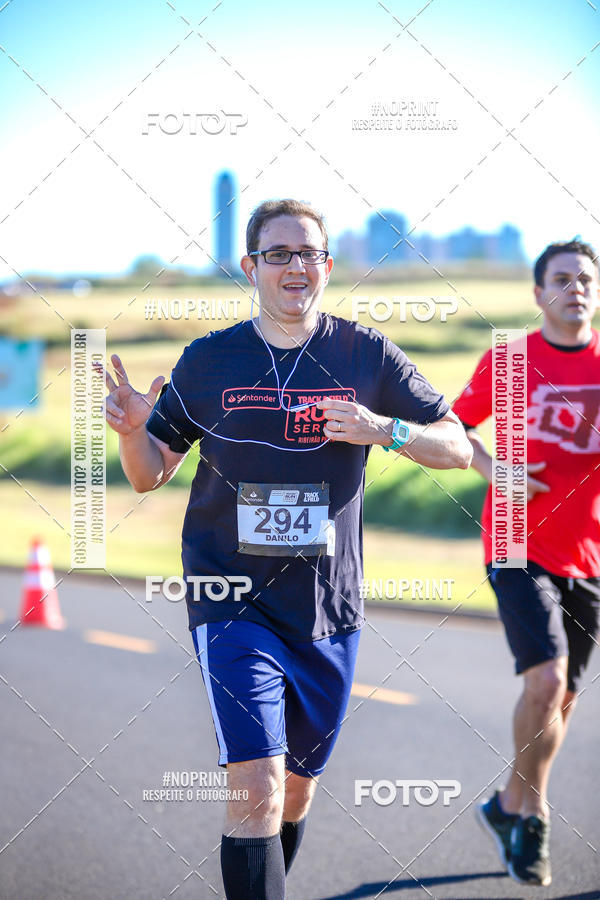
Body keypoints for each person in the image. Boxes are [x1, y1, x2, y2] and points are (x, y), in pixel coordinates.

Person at [104, 198, 472, 899]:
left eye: (308, 253)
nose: (295, 266)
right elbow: (152, 472)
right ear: (251, 267)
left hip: (329, 608)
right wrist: (130, 432)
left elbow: (456, 446)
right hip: (231, 601)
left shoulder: (365, 354)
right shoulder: (209, 361)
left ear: (328, 266)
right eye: (279, 254)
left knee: (294, 795)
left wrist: (381, 429)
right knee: (258, 790)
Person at [453, 240, 600, 887]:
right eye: (561, 279)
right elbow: (452, 426)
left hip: (588, 552)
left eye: (585, 279)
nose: (575, 289)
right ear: (538, 293)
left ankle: (506, 805)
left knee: (560, 703)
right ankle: (534, 814)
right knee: (545, 681)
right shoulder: (512, 361)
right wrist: (495, 469)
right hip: (515, 540)